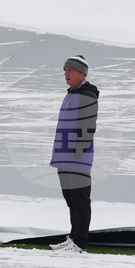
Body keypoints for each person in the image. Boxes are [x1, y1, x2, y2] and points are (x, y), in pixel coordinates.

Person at [49, 55, 99, 254]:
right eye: (65, 70)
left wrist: (78, 152)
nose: (66, 73)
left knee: (79, 200)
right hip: (63, 157)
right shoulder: (71, 93)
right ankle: (74, 237)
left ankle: (79, 243)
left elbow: (88, 125)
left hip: (77, 159)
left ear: (81, 73)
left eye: (70, 70)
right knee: (70, 199)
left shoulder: (87, 94)